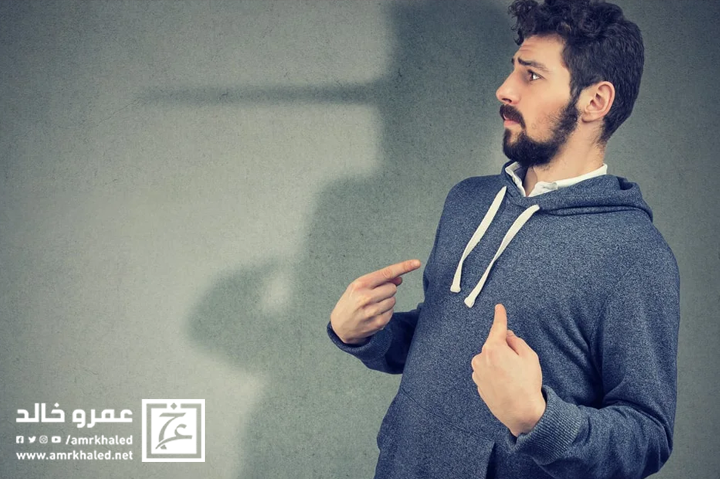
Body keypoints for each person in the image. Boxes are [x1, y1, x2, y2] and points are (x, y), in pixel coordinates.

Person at [326, 0, 680, 477]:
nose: (505, 89)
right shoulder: (468, 200)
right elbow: (438, 338)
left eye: (531, 75)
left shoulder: (635, 254)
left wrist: (537, 419)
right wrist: (367, 334)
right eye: (514, 69)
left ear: (595, 101)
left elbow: (648, 435)